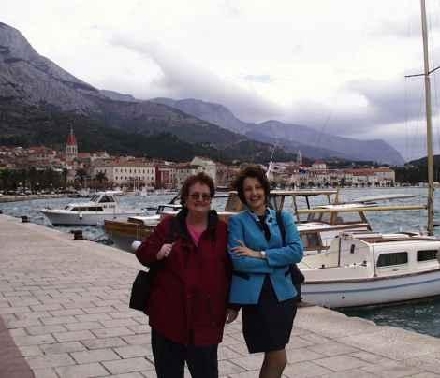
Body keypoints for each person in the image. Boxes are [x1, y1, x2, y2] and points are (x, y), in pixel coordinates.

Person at [135, 172, 236, 378]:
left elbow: (232, 270)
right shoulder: (168, 226)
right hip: (167, 319)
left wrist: (234, 305)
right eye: (195, 195)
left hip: (206, 320)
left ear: (211, 200)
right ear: (185, 198)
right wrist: (157, 252)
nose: (200, 200)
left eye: (206, 196)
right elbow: (144, 254)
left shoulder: (223, 231)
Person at [227, 165, 303, 378]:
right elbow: (239, 262)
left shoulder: (283, 218)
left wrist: (258, 254)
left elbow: (296, 252)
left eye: (258, 187)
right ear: (242, 194)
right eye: (248, 189)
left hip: (285, 296)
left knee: (274, 357)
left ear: (265, 189)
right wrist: (277, 259)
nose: (254, 193)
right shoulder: (237, 222)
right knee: (278, 358)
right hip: (257, 299)